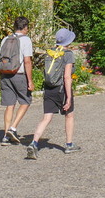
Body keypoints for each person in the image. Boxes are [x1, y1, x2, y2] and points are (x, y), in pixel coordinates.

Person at [26, 28, 80, 159]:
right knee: (69, 115)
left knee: (46, 117)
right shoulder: (68, 54)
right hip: (62, 89)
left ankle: (34, 143)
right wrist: (68, 98)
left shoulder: (50, 52)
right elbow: (67, 77)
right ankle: (69, 145)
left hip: (49, 88)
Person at [0, 16, 34, 145]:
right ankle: (13, 128)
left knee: (10, 104)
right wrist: (30, 80)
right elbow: (27, 61)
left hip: (5, 74)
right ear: (25, 27)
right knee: (26, 101)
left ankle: (5, 136)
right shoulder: (26, 40)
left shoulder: (6, 39)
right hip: (19, 74)